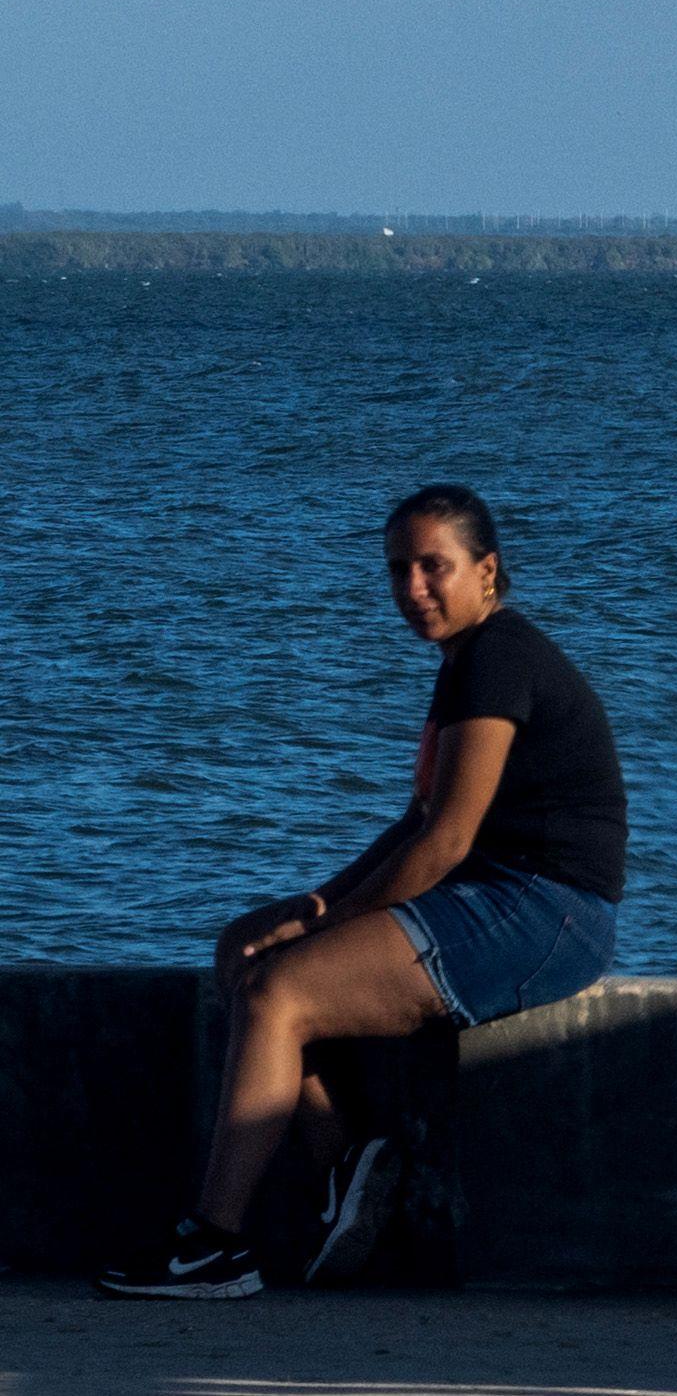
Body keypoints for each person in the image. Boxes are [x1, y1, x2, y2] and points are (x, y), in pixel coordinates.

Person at [98, 485, 628, 1298]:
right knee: (246, 947)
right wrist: (314, 907)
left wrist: (333, 924)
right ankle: (345, 1159)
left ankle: (214, 1247)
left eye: (434, 567)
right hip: (492, 894)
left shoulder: (499, 658)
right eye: (397, 571)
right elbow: (414, 825)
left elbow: (446, 840)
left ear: (488, 571)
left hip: (547, 912)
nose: (413, 589)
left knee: (281, 990)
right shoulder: (464, 664)